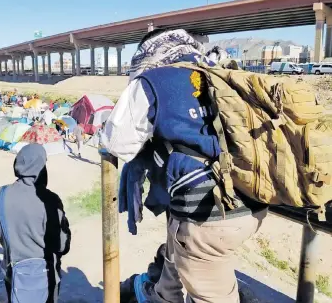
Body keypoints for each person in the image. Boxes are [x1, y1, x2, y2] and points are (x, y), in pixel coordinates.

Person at [102, 28, 267, 303]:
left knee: (211, 294)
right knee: (177, 258)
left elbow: (117, 142)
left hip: (208, 213)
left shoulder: (153, 80)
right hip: (253, 197)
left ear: (147, 52)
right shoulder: (215, 68)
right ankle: (163, 296)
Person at [0, 144, 71, 303]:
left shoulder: (0, 194)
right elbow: (62, 246)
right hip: (45, 278)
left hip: (12, 275)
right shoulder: (50, 200)